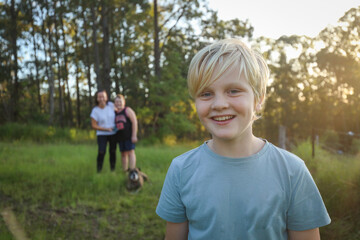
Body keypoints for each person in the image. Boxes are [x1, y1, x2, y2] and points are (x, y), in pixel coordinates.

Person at [156, 39, 331, 239]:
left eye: (233, 91)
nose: (220, 104)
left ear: (258, 99)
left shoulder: (292, 171)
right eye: (206, 93)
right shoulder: (181, 170)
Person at [90, 90, 117, 173]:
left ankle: (112, 170)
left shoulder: (111, 106)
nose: (101, 99)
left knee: (113, 151)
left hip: (113, 133)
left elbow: (120, 114)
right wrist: (105, 129)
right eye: (99, 97)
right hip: (102, 134)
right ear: (97, 98)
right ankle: (99, 171)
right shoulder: (95, 111)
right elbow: (94, 125)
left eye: (103, 96)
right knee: (102, 151)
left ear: (106, 98)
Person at [114, 94, 138, 172]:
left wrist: (134, 135)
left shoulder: (127, 110)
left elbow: (134, 122)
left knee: (131, 152)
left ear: (124, 102)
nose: (118, 103)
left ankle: (132, 170)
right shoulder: (115, 113)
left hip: (129, 136)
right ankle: (125, 171)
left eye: (120, 101)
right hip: (120, 137)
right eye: (116, 102)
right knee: (123, 154)